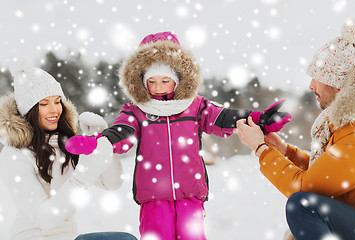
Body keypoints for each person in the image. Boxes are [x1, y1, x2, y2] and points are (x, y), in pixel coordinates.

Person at [65, 31, 291, 240]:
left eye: (165, 81)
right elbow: (122, 132)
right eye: (151, 82)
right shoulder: (136, 109)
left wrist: (259, 119)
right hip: (153, 196)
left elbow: (223, 117)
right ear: (142, 81)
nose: (158, 88)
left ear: (178, 79)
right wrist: (97, 142)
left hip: (190, 193)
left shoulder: (194, 106)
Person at [236, 19, 355, 240]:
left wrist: (261, 149)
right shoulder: (348, 126)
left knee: (303, 205)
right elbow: (323, 176)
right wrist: (285, 151)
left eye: (318, 77)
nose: (311, 85)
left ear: (338, 82)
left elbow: (305, 189)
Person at [0, 60, 137, 240]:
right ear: (29, 110)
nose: (54, 110)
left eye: (57, 102)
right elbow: (45, 218)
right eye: (44, 104)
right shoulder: (15, 153)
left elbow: (112, 183)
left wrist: (102, 144)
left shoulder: (63, 143)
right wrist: (82, 176)